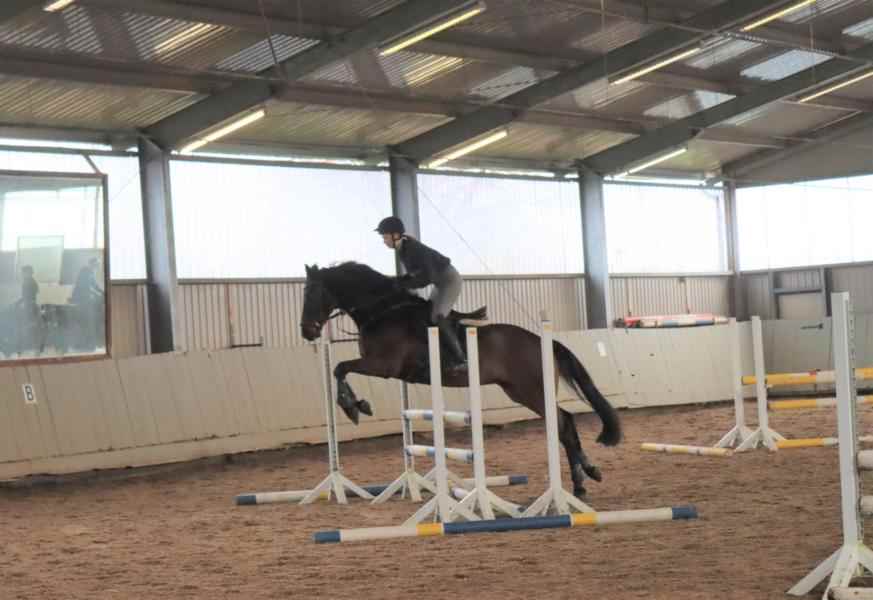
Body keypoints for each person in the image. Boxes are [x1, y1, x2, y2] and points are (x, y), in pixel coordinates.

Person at [375, 216, 466, 371]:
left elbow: (426, 277)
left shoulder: (412, 249)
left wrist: (402, 284)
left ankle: (460, 359)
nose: (384, 241)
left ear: (395, 235)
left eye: (385, 237)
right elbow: (415, 275)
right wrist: (397, 282)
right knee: (426, 314)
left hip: (449, 281)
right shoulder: (403, 248)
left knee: (437, 317)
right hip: (440, 282)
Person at [71, 257, 104, 350]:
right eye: (96, 264)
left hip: (86, 300)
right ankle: (85, 345)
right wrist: (97, 294)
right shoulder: (85, 271)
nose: (97, 266)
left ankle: (88, 345)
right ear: (91, 264)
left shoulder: (91, 272)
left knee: (88, 322)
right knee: (86, 323)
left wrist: (103, 292)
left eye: (98, 265)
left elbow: (95, 285)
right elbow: (86, 287)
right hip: (81, 300)